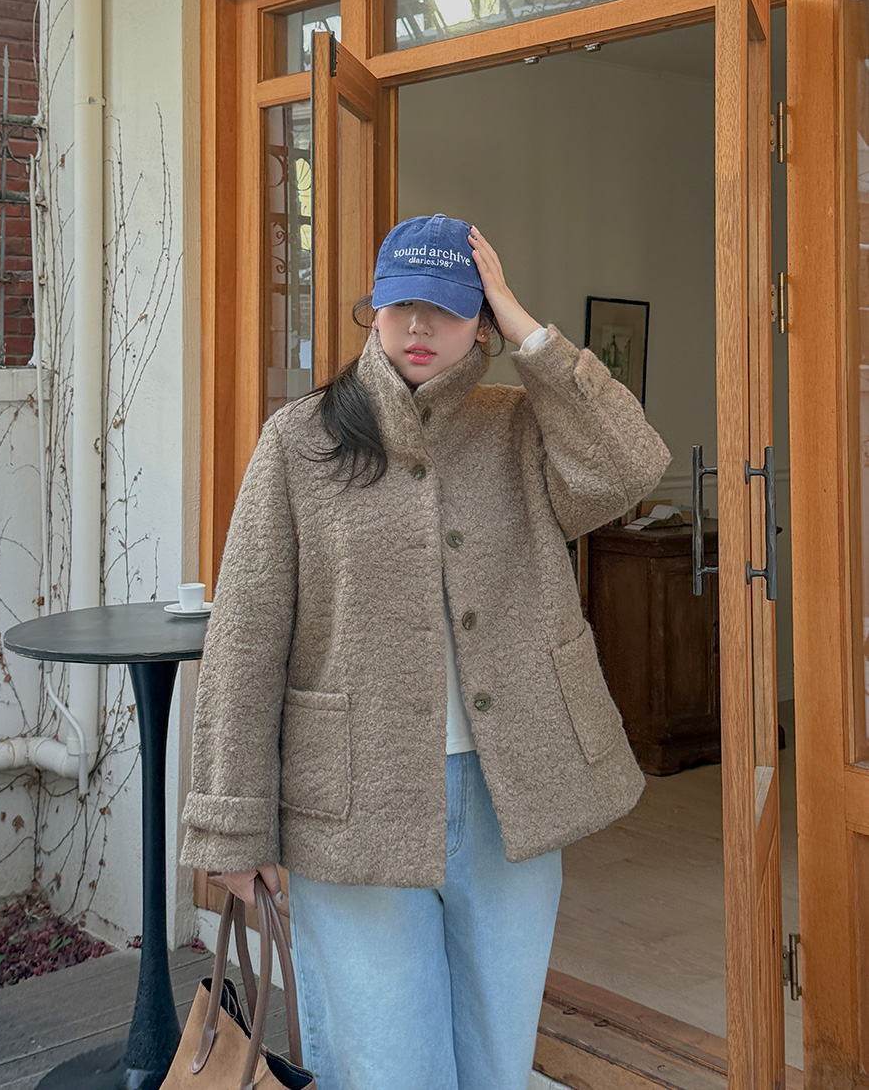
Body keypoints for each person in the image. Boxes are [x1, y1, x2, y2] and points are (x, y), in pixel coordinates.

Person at [179, 213, 672, 1090]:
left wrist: (529, 332)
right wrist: (232, 823)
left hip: (510, 796)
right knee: (387, 1069)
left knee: (495, 1066)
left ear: (479, 322)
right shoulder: (301, 440)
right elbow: (245, 637)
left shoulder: (518, 428)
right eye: (401, 303)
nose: (417, 325)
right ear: (373, 310)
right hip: (354, 802)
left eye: (445, 307)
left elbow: (632, 465)